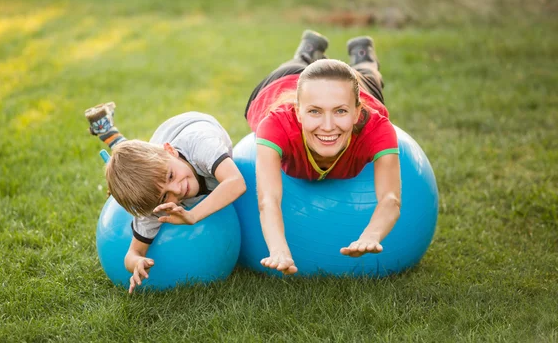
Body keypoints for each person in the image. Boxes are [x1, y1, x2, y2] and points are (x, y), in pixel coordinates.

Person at [245, 30, 401, 276]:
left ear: (358, 112)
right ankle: (307, 51)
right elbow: (268, 200)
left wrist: (371, 235)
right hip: (280, 84)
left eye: (340, 112)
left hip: (352, 85)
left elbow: (390, 198)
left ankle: (363, 57)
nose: (328, 126)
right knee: (295, 66)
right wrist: (279, 250)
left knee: (368, 76)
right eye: (314, 112)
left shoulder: (376, 128)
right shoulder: (276, 125)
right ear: (298, 113)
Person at [85, 105, 246, 293]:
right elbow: (132, 253)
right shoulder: (157, 204)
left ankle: (110, 134)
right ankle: (108, 132)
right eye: (165, 196)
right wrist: (136, 262)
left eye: (170, 176)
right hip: (163, 154)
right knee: (136, 172)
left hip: (189, 126)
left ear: (170, 151)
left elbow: (236, 182)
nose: (178, 189)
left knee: (147, 165)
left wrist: (193, 215)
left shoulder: (202, 146)